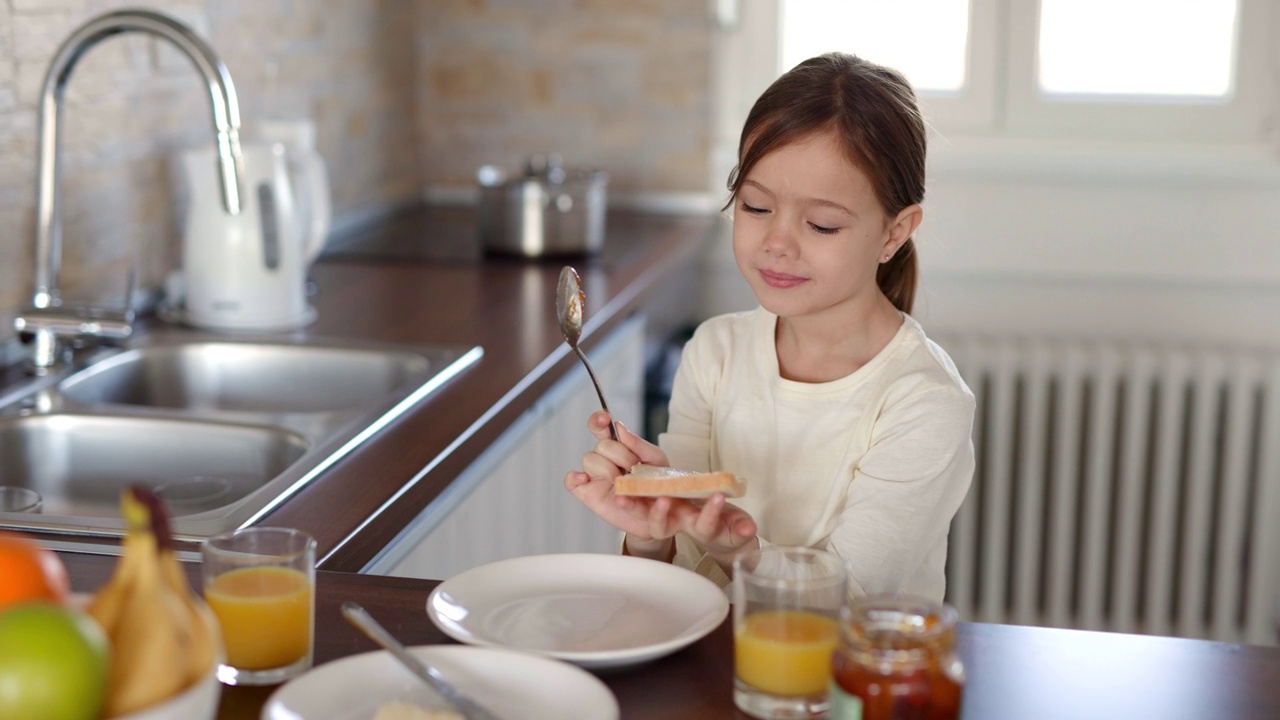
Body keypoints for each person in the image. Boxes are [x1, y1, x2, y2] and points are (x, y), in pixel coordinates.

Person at [564, 52, 975, 602]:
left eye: (821, 224)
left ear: (894, 232)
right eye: (756, 207)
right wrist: (648, 530)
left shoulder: (924, 401)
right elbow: (676, 578)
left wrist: (741, 552)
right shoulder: (714, 352)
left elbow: (848, 596)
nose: (777, 243)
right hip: (711, 667)